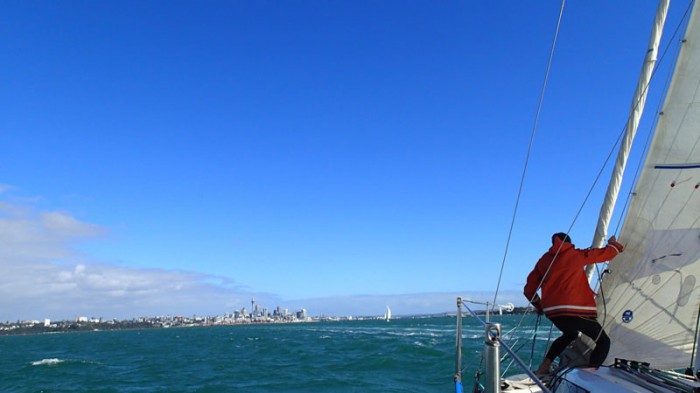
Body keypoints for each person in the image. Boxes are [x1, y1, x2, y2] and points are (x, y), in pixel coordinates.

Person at [523, 232, 624, 376]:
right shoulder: (576, 255)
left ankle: (543, 368)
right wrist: (614, 244)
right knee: (603, 342)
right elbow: (608, 254)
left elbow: (529, 290)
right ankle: (589, 376)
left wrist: (540, 307)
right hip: (576, 311)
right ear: (570, 243)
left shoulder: (544, 261)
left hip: (553, 312)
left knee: (570, 334)